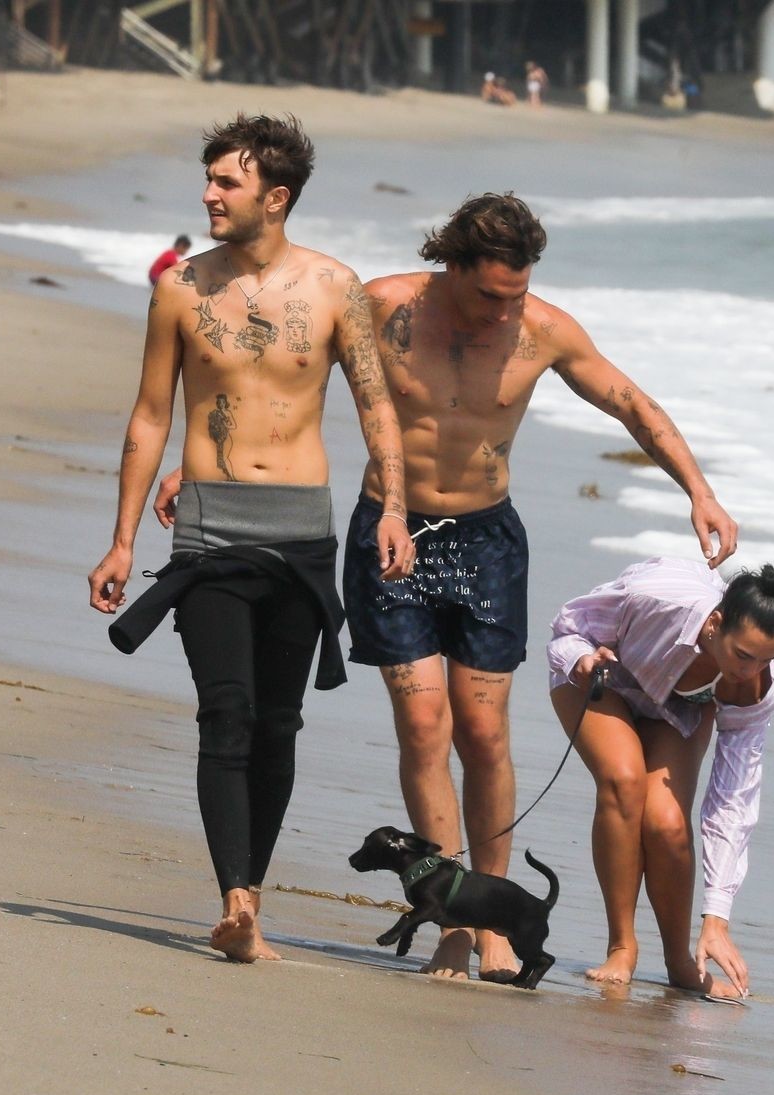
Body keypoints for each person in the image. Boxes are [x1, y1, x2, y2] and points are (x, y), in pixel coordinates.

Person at [158, 193, 740, 981]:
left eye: (517, 294)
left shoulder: (544, 329)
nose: (505, 311)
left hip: (486, 542)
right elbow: (275, 381)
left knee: (485, 733)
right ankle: (454, 924)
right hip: (391, 529)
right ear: (453, 265)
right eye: (491, 294)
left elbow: (632, 404)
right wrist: (202, 465)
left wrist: (699, 491)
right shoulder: (382, 306)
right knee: (425, 723)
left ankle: (491, 918)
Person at [88, 114, 413, 964]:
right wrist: (123, 541)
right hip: (209, 533)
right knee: (225, 713)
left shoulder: (335, 289)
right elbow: (150, 416)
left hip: (302, 535)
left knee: (278, 724)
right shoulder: (180, 289)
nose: (208, 195)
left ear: (276, 197)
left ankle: (250, 895)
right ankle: (235, 897)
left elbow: (376, 406)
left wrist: (393, 508)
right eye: (208, 180)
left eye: (226, 182)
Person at [549, 559, 774, 998]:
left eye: (767, 659)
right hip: (602, 679)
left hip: (675, 710)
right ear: (715, 625)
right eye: (743, 655)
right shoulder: (654, 600)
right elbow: (568, 628)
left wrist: (716, 918)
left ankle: (680, 961)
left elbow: (734, 798)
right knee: (624, 781)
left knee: (667, 824)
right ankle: (621, 946)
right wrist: (581, 660)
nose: (751, 670)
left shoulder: (761, 684)